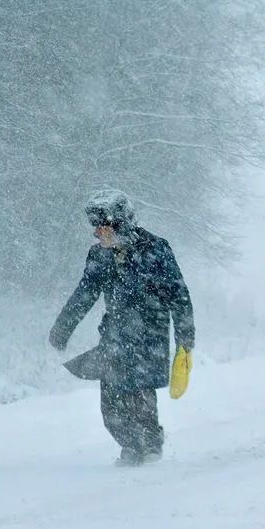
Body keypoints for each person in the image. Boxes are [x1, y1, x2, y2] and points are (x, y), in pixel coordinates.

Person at [49, 189, 195, 466]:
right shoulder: (98, 256)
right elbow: (85, 294)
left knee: (139, 394)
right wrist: (63, 327)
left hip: (150, 335)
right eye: (96, 229)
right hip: (114, 336)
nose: (97, 234)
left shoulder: (156, 249)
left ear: (121, 224)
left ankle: (151, 445)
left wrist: (185, 339)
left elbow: (179, 296)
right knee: (111, 403)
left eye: (103, 228)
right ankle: (130, 445)